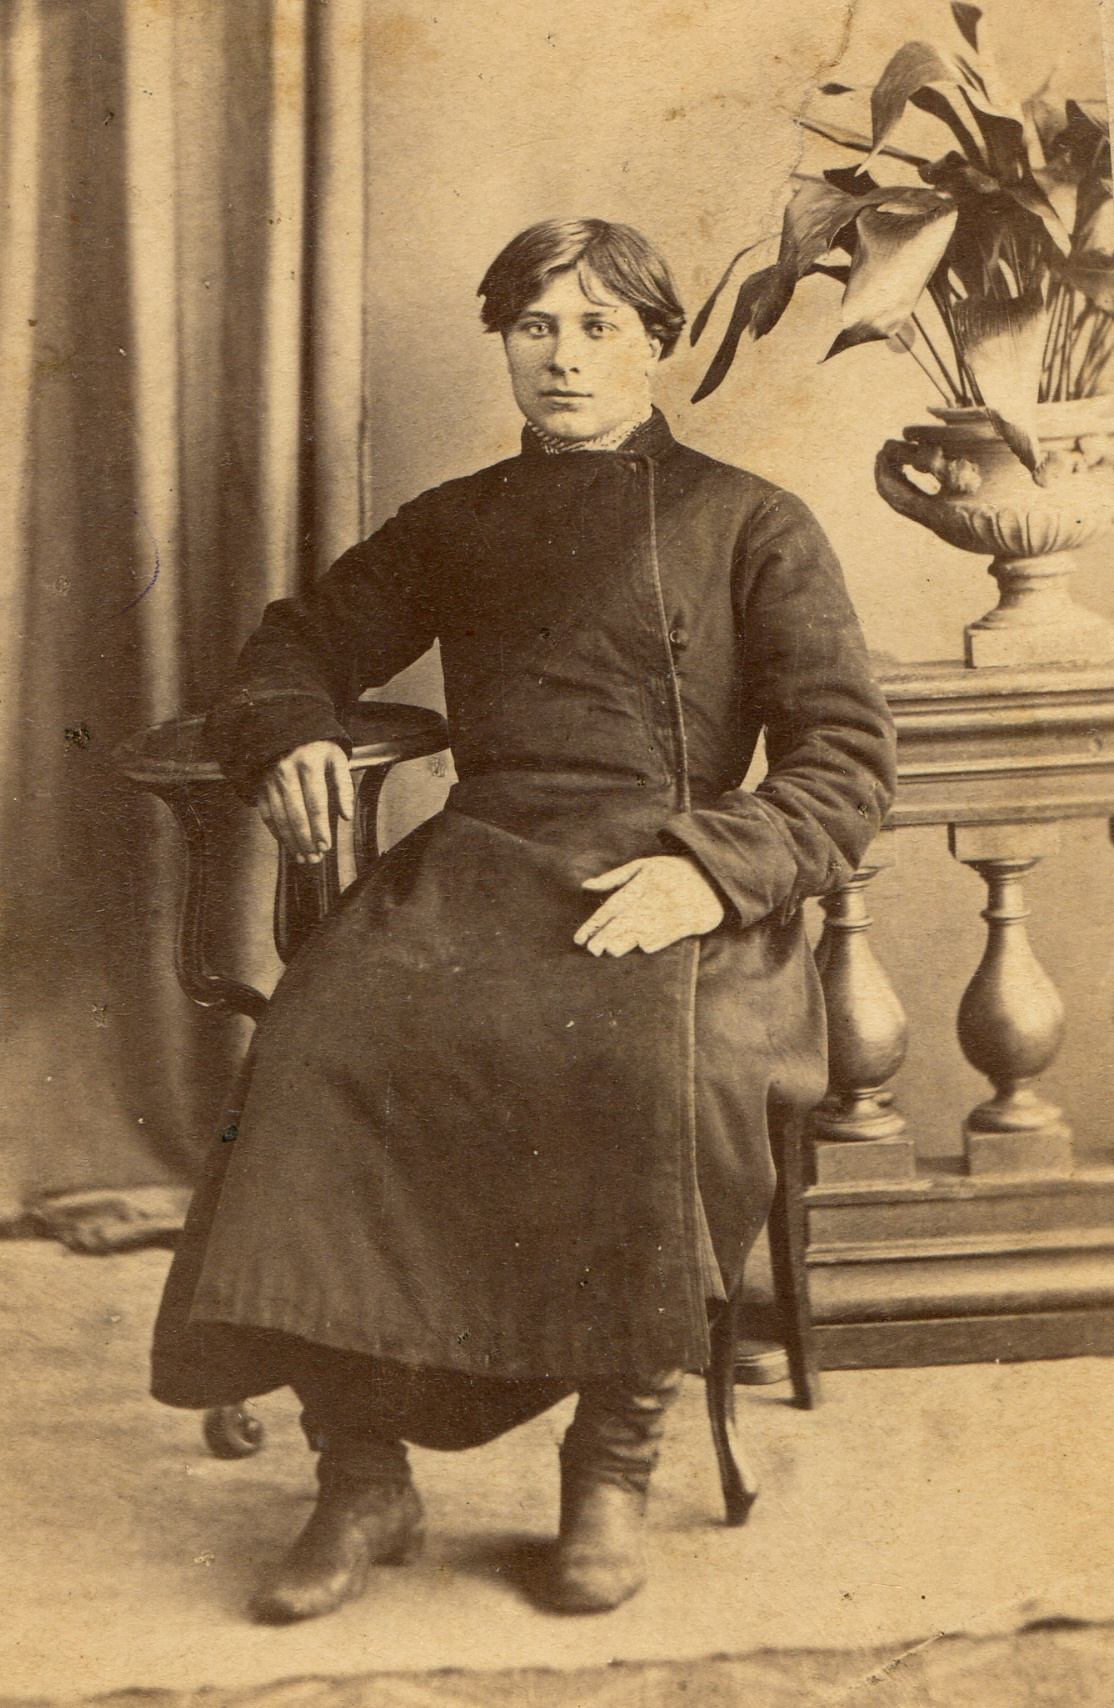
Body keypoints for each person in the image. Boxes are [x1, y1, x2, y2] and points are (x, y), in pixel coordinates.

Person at [151, 218, 897, 1623]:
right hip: (482, 867)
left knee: (645, 1063)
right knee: (319, 1042)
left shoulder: (750, 522)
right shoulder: (456, 521)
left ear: (655, 343)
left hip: (679, 880)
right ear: (502, 341)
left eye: (600, 327)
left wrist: (712, 868)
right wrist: (290, 730)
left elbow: (844, 763)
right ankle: (359, 1474)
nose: (565, 358)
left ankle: (611, 1463)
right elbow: (294, 642)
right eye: (536, 327)